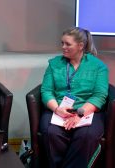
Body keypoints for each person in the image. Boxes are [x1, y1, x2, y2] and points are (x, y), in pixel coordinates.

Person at [40, 27, 109, 168]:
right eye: (62, 43)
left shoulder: (98, 66)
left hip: (87, 110)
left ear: (80, 46)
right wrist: (57, 109)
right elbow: (46, 91)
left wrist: (80, 114)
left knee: (86, 136)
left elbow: (99, 95)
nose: (63, 47)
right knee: (51, 132)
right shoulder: (54, 64)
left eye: (67, 44)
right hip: (59, 108)